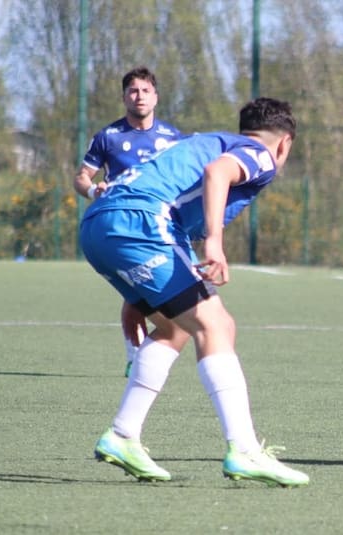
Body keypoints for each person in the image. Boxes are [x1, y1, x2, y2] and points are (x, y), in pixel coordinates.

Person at [79, 97, 309, 487]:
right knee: (216, 326)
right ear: (285, 142)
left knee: (175, 327)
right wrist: (215, 242)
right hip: (143, 222)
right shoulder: (260, 154)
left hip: (99, 224)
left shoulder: (208, 139)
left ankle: (123, 434)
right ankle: (245, 449)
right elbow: (217, 174)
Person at [73, 66, 183, 377]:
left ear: (156, 97)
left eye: (145, 90)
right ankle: (136, 357)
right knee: (136, 292)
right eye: (133, 91)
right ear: (124, 97)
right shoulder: (108, 137)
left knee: (159, 296)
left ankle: (144, 355)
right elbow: (81, 177)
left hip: (162, 225)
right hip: (122, 227)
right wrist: (94, 189)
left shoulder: (172, 138)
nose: (139, 96)